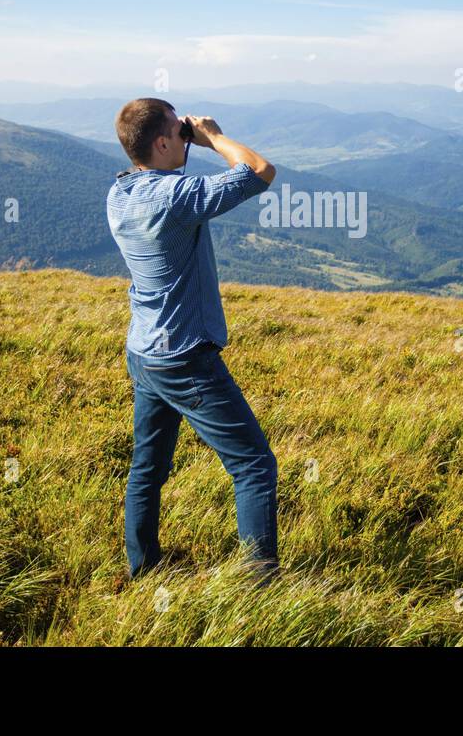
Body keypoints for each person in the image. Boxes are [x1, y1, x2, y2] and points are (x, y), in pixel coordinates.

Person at [105, 96, 280, 584]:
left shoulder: (120, 192)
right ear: (162, 142)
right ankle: (259, 588)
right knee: (254, 467)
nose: (185, 135)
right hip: (185, 355)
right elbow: (260, 171)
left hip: (144, 352)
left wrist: (183, 146)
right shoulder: (173, 198)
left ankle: (143, 568)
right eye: (176, 132)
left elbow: (163, 181)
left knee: (148, 468)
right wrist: (212, 138)